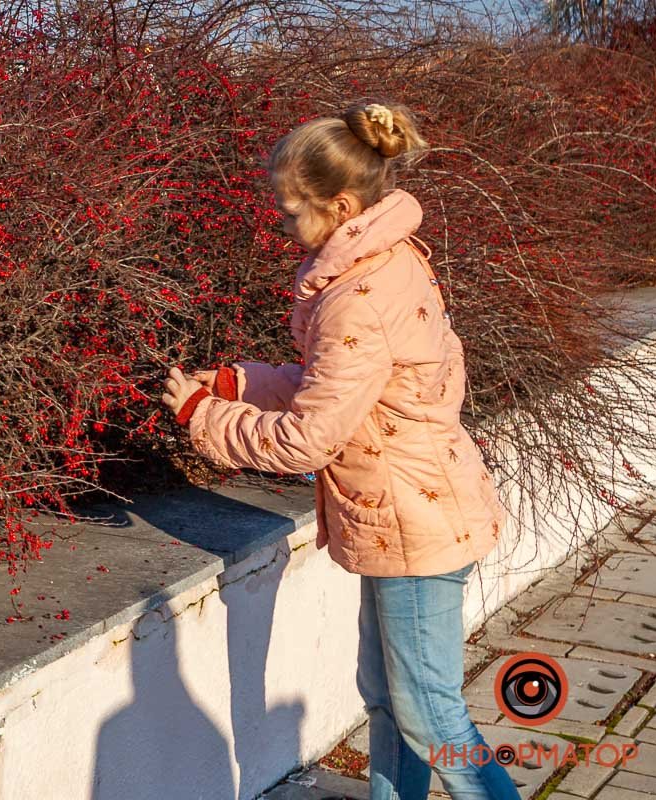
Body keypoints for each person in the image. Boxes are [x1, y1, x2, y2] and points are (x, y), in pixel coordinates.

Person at [160, 102, 520, 800]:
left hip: (413, 525)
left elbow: (310, 438)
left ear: (342, 204)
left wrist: (206, 417)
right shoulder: (386, 258)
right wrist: (242, 382)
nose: (284, 223)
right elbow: (344, 394)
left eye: (293, 210)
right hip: (405, 512)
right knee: (390, 700)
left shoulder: (356, 294)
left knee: (428, 712)